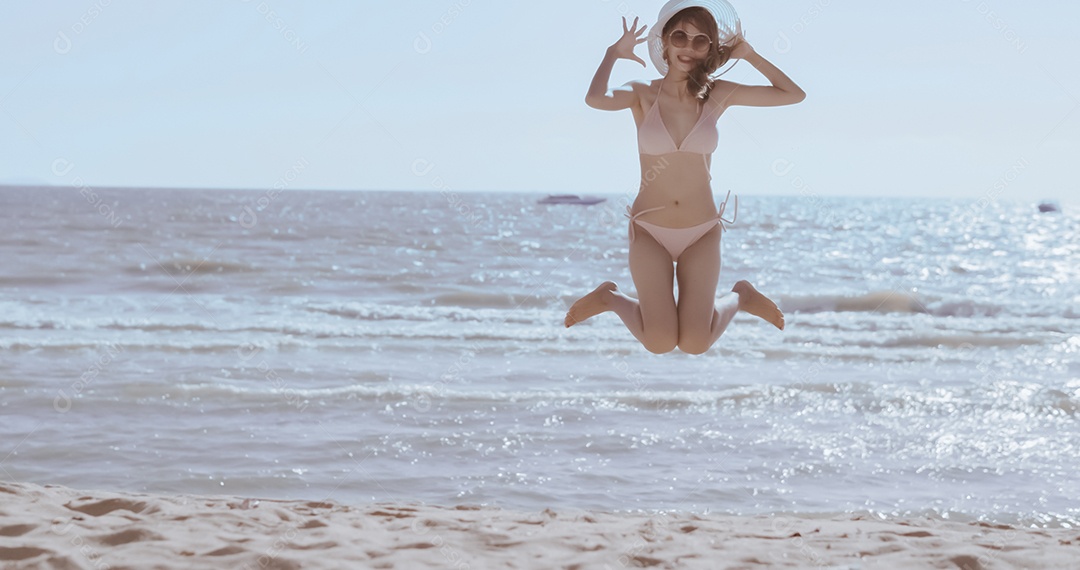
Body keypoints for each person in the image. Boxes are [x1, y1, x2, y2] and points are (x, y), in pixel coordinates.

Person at [564, 1, 805, 354]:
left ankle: (741, 296)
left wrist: (750, 55)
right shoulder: (642, 93)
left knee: (695, 343)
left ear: (711, 48)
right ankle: (611, 298)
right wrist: (612, 54)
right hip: (650, 230)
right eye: (680, 36)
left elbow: (793, 95)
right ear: (664, 41)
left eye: (700, 41)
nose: (688, 48)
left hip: (701, 231)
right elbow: (595, 99)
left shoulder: (717, 95)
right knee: (659, 341)